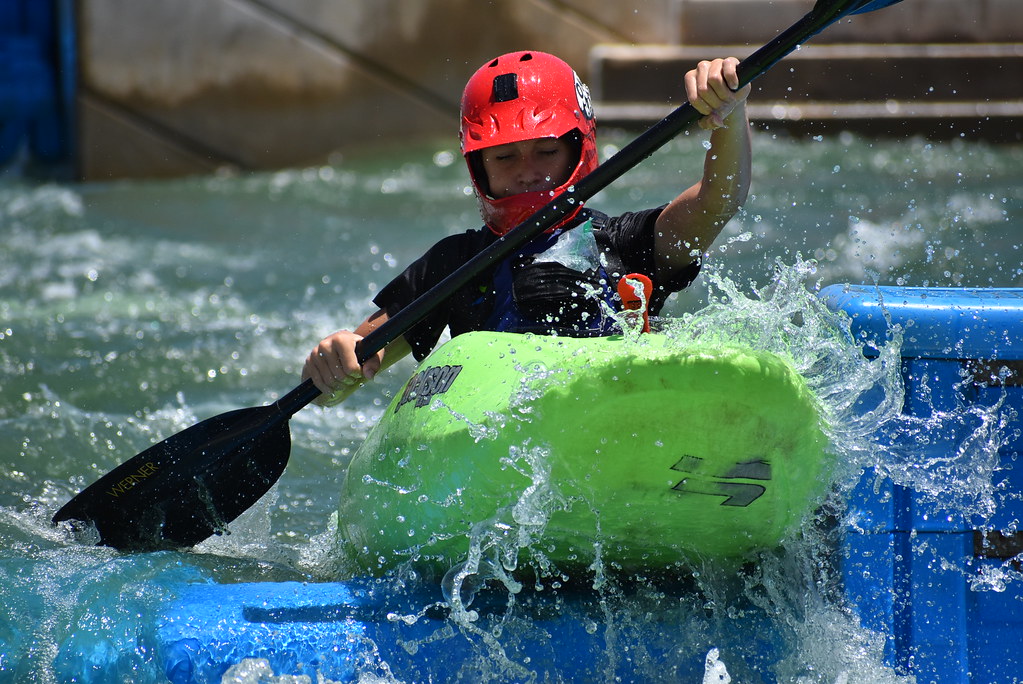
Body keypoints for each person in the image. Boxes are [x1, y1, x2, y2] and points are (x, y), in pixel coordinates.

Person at [303, 50, 751, 406]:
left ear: (579, 147)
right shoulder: (454, 264)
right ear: (479, 168)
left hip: (616, 421)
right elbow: (364, 355)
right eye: (504, 157)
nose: (526, 172)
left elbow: (718, 202)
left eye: (544, 151)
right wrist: (335, 359)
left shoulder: (622, 242)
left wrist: (729, 114)